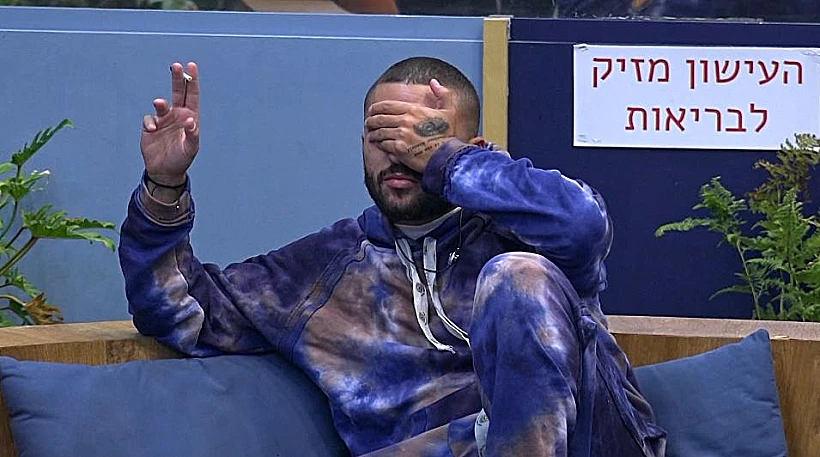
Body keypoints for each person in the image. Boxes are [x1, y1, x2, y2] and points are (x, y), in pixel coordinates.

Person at [120, 56, 666, 457]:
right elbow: (178, 310)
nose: (400, 153)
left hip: (592, 444)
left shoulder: (523, 231)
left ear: (468, 151)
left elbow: (583, 224)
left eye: (421, 136)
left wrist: (448, 165)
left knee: (517, 276)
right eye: (383, 136)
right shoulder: (323, 271)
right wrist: (164, 184)